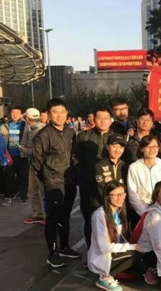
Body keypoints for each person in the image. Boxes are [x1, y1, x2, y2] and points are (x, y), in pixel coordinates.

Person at [31, 98, 81, 268]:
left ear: (67, 113)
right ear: (48, 114)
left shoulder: (70, 133)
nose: (59, 115)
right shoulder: (43, 135)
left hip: (69, 181)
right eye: (55, 112)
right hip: (53, 183)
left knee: (65, 216)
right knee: (53, 217)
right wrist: (47, 180)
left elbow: (74, 156)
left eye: (62, 112)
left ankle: (64, 246)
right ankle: (52, 252)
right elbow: (36, 163)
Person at [88, 181, 144, 291]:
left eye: (122, 194)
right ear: (107, 196)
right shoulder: (99, 215)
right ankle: (105, 278)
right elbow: (104, 247)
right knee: (135, 255)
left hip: (115, 254)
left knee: (141, 266)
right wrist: (132, 247)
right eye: (116, 195)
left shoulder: (119, 211)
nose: (120, 198)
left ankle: (116, 272)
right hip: (104, 257)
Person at [73, 107, 114, 249]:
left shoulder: (116, 136)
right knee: (90, 219)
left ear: (111, 120)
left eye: (106, 118)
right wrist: (81, 179)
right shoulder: (83, 136)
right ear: (93, 119)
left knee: (111, 220)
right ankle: (91, 251)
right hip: (89, 184)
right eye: (99, 118)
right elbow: (75, 158)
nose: (103, 121)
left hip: (110, 186)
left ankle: (111, 251)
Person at [139, 180, 161, 287]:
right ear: (156, 197)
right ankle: (151, 268)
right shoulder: (155, 217)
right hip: (150, 252)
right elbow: (159, 246)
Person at [127, 135, 161, 216]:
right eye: (148, 146)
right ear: (141, 149)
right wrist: (145, 213)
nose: (151, 149)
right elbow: (132, 194)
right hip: (141, 211)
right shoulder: (134, 167)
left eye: (154, 146)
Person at [19, 108, 46, 224]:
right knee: (33, 190)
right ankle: (37, 214)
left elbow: (37, 152)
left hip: (40, 166)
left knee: (43, 192)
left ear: (27, 118)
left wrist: (24, 150)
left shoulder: (39, 131)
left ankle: (46, 216)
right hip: (33, 165)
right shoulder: (34, 129)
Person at [0, 106, 27, 203]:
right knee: (9, 176)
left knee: (23, 176)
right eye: (12, 113)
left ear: (21, 114)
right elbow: (1, 140)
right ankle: (10, 194)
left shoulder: (26, 125)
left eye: (17, 113)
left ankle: (23, 194)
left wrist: (26, 149)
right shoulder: (5, 126)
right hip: (9, 155)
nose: (14, 115)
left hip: (22, 155)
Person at [95, 133, 128, 209]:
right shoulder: (100, 165)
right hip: (104, 206)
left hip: (122, 206)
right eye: (114, 146)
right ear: (107, 146)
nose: (117, 150)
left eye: (121, 147)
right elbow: (101, 190)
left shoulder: (125, 166)